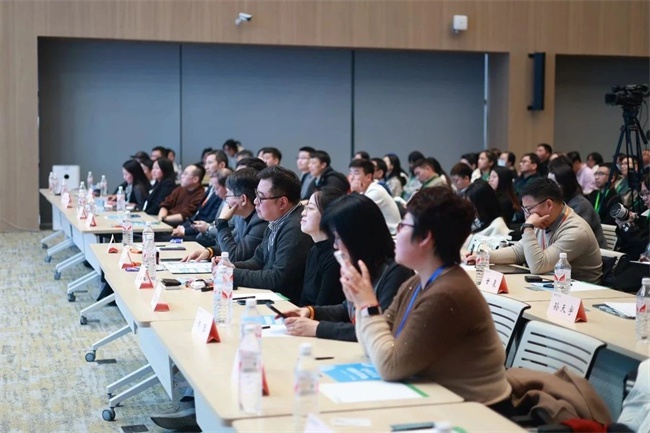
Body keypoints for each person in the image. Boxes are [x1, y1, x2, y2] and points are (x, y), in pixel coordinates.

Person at [339, 187, 513, 412]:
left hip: (478, 413)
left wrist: (368, 306)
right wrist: (360, 302)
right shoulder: (416, 282)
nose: (397, 233)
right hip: (437, 399)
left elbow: (389, 366)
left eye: (403, 226)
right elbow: (372, 348)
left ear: (425, 238)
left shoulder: (447, 294)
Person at [283, 194, 413, 341]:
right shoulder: (363, 262)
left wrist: (317, 328)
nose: (335, 245)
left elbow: (378, 329)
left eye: (338, 238)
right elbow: (347, 309)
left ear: (356, 237)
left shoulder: (396, 271)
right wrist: (310, 312)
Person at [469, 177, 602, 283]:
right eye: (524, 210)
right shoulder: (544, 221)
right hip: (552, 284)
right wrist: (485, 257)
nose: (527, 216)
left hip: (581, 293)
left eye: (529, 209)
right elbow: (518, 252)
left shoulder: (576, 231)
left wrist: (528, 227)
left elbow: (538, 266)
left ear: (549, 204)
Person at [218, 166, 313, 304]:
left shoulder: (295, 227)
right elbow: (258, 261)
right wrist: (229, 266)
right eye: (256, 195)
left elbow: (278, 278)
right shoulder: (276, 220)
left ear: (282, 202)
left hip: (287, 305)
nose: (255, 201)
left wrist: (233, 274)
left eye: (261, 197)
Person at [182, 168, 268, 262]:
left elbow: (234, 256)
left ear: (243, 199)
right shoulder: (241, 218)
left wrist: (222, 222)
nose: (226, 199)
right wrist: (210, 251)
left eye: (228, 194)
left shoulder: (260, 222)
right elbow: (232, 245)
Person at [298, 188, 347, 306]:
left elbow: (324, 307)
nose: (303, 213)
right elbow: (304, 298)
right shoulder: (313, 250)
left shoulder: (335, 257)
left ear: (328, 215)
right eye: (306, 207)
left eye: (310, 208)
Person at [548, 159, 607, 249]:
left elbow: (574, 235)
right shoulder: (559, 202)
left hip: (590, 252)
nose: (549, 188)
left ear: (565, 184)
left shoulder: (580, 205)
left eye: (554, 184)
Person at [169, 168, 230, 241]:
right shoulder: (223, 199)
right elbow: (198, 215)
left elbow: (230, 234)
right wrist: (183, 227)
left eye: (216, 188)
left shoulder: (227, 202)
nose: (216, 193)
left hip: (211, 239)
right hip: (205, 235)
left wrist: (207, 228)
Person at [348, 159, 401, 235]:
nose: (351, 177)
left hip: (391, 235)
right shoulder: (364, 191)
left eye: (356, 173)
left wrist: (354, 193)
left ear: (368, 177)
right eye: (350, 173)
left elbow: (355, 214)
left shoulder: (376, 192)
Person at [463, 180, 511, 251]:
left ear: (482, 204)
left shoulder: (497, 226)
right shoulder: (477, 219)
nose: (469, 209)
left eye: (472, 205)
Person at [615, 174, 650, 260]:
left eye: (647, 193)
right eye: (642, 194)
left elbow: (645, 242)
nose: (644, 198)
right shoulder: (646, 212)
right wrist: (632, 220)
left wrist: (626, 227)